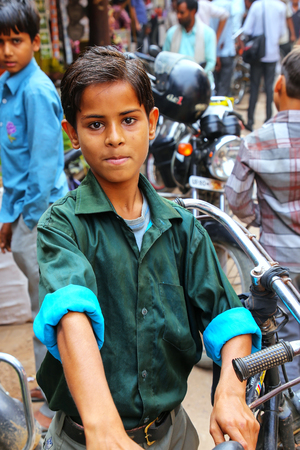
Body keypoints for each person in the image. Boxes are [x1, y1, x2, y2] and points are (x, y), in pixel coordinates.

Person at [33, 45, 261, 450]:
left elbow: (229, 318)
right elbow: (70, 315)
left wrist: (230, 388)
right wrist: (103, 426)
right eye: (96, 124)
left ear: (152, 123)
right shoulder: (62, 226)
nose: (116, 138)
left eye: (129, 119)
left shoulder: (183, 228)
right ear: (73, 132)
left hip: (173, 433)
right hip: (85, 438)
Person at [0, 0, 68, 427]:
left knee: (50, 306)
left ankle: (57, 403)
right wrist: (9, 216)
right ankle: (47, 379)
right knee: (36, 300)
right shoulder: (8, 85)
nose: (8, 50)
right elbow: (14, 162)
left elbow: (44, 166)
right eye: (1, 42)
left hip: (38, 216)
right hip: (21, 213)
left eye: (16, 41)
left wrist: (28, 221)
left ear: (34, 42)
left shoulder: (37, 91)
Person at [225, 46, 300, 384]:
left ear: (278, 85)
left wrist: (261, 213)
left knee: (285, 346)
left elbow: (236, 202)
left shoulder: (255, 142)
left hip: (280, 268)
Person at [242, 0, 286, 131]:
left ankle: (250, 121)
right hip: (272, 53)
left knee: (254, 87)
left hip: (257, 54)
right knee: (269, 88)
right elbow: (282, 33)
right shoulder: (281, 7)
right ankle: (268, 120)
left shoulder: (257, 6)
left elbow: (247, 29)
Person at [163, 0, 216, 84]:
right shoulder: (171, 33)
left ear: (193, 11)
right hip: (176, 84)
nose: (178, 16)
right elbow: (165, 59)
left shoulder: (208, 34)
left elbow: (210, 63)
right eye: (177, 12)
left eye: (182, 13)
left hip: (201, 84)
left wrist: (195, 78)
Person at [210, 0, 244, 96]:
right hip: (225, 52)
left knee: (217, 87)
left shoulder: (212, 5)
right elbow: (227, 30)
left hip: (215, 52)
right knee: (223, 89)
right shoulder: (228, 5)